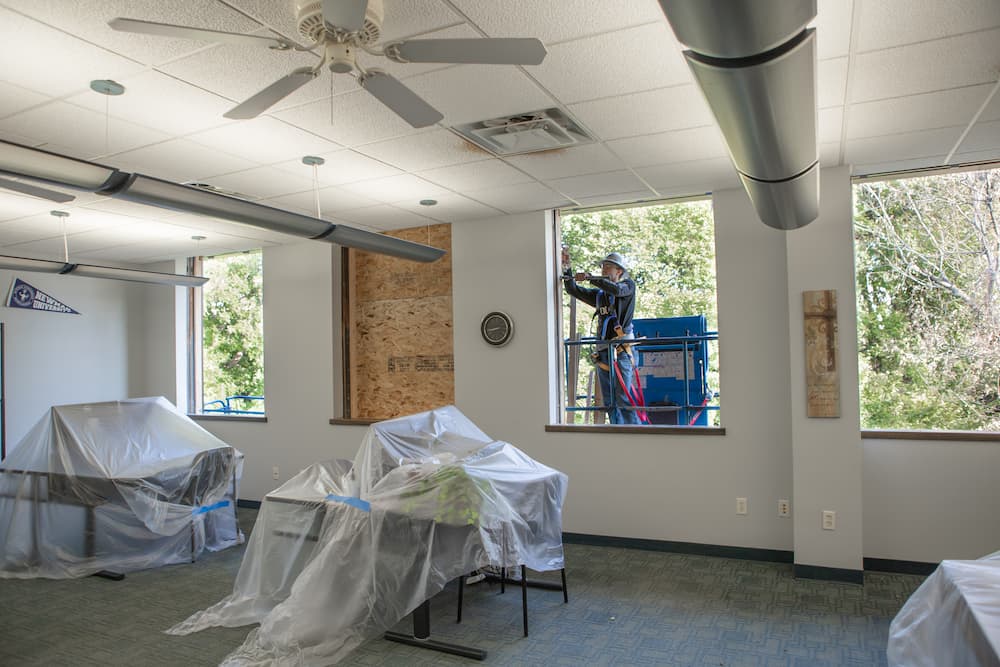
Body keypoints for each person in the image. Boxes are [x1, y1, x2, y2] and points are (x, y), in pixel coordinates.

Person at [562, 252, 642, 425]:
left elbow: (617, 290)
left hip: (622, 349)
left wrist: (592, 278)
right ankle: (616, 428)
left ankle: (634, 430)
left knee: (623, 396)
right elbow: (573, 290)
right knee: (609, 399)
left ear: (619, 271)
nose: (604, 269)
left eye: (608, 267)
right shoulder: (600, 296)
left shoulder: (628, 286)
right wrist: (568, 270)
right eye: (603, 267)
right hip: (604, 350)